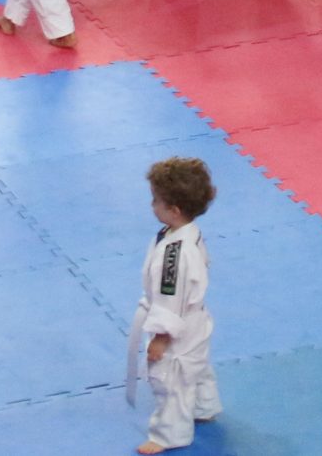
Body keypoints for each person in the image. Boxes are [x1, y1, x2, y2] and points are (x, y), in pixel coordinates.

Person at [131, 155, 219, 455]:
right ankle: (205, 406)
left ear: (174, 210)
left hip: (177, 326)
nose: (151, 205)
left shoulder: (175, 255)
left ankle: (169, 435)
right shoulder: (185, 232)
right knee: (196, 367)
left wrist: (161, 337)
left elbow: (171, 297)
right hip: (196, 321)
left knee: (170, 379)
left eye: (155, 200)